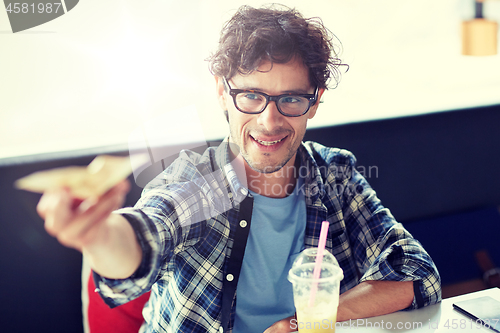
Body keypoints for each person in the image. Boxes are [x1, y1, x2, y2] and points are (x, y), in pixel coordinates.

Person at [37, 4, 441, 333]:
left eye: (291, 100)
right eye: (251, 95)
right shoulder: (193, 183)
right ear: (221, 91)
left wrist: (303, 325)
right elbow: (144, 238)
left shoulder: (336, 176)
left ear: (315, 101)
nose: (270, 121)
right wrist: (99, 233)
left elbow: (417, 273)